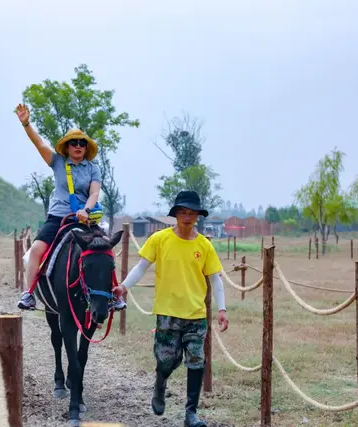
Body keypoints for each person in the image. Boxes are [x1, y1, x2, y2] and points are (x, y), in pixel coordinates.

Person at [112, 190, 229, 427]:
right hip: (167, 314)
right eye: (183, 212)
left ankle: (191, 413)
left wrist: (222, 309)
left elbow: (216, 278)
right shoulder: (160, 239)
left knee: (196, 361)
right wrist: (124, 287)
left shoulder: (204, 245)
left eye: (192, 213)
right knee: (166, 361)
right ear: (175, 214)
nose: (187, 217)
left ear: (197, 216)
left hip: (196, 315)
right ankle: (160, 384)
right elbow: (142, 267)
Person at [14, 103, 127, 312]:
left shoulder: (93, 168)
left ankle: (112, 294)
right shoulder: (57, 161)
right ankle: (29, 293)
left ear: (86, 147)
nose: (78, 146)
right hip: (58, 217)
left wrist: (86, 209)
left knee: (105, 250)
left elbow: (94, 193)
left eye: (81, 143)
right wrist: (26, 124)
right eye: (73, 143)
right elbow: (38, 143)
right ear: (67, 147)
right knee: (37, 249)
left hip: (85, 218)